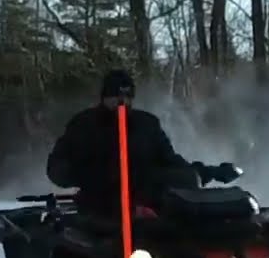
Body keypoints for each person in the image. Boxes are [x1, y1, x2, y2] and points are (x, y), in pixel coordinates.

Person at [45, 68, 240, 215]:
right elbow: (58, 165)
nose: (123, 101)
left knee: (182, 185)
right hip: (102, 204)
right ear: (104, 97)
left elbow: (169, 160)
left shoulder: (146, 123)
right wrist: (88, 176)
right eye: (116, 96)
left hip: (146, 199)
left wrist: (205, 172)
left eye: (127, 96)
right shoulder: (84, 124)